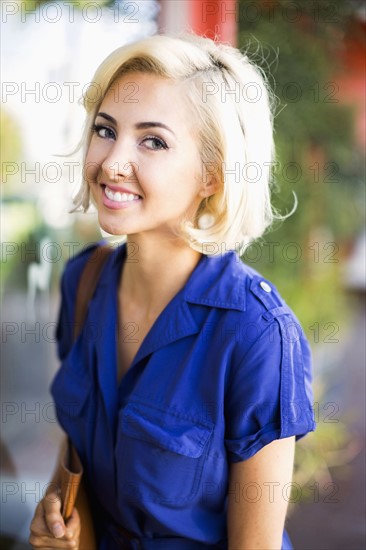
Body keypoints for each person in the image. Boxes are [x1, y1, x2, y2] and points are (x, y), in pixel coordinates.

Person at [29, 33, 316, 549]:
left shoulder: (258, 335)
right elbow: (78, 450)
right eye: (105, 129)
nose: (112, 161)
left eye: (153, 141)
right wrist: (59, 513)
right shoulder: (84, 282)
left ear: (211, 174)